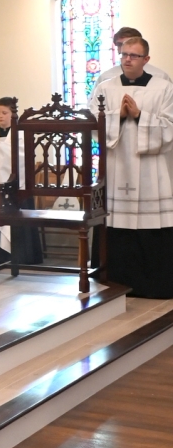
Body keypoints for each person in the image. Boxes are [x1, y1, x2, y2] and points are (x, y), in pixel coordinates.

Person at [93, 37, 173, 298]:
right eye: (124, 54)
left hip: (150, 169)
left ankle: (154, 285)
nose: (127, 59)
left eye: (134, 56)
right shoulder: (105, 87)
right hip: (116, 165)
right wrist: (118, 116)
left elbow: (170, 127)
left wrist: (139, 115)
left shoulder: (163, 87)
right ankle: (112, 282)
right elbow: (93, 123)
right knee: (114, 224)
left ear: (146, 60)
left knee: (150, 227)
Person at [0, 97, 44, 265]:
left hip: (18, 186)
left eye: (4, 113)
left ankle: (22, 257)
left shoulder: (21, 135)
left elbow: (23, 159)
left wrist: (2, 151)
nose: (0, 116)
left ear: (12, 114)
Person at [96, 27, 170, 86]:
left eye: (129, 43)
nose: (124, 48)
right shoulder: (105, 78)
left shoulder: (160, 76)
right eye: (119, 44)